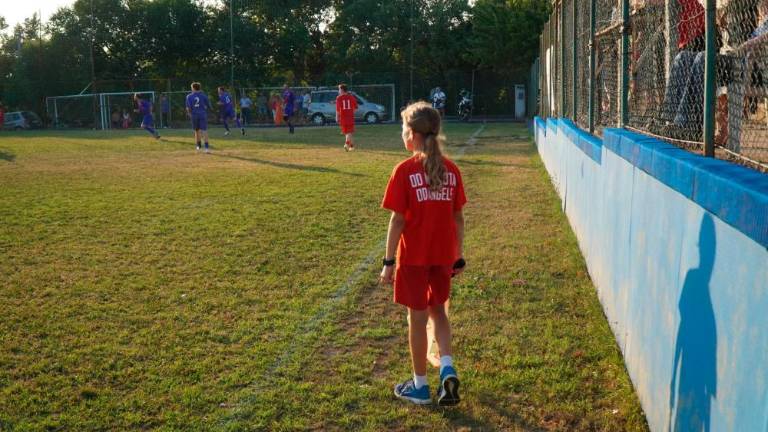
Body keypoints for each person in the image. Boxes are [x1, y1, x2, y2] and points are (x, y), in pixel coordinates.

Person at [379, 101, 466, 406]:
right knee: (439, 312)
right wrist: (458, 255)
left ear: (413, 134)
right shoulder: (451, 170)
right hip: (443, 256)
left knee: (416, 319)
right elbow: (458, 218)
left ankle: (419, 386)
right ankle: (447, 368)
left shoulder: (404, 171)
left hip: (414, 259)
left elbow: (398, 220)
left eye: (404, 129)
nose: (403, 134)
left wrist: (388, 262)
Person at [186, 82, 212, 152]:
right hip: (202, 114)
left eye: (191, 88)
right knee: (204, 130)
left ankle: (198, 146)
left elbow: (188, 108)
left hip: (194, 115)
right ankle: (206, 148)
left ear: (194, 88)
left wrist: (189, 114)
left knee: (196, 130)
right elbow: (209, 105)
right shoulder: (203, 95)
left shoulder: (189, 96)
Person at [336, 84, 358, 151]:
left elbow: (337, 109)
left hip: (343, 117)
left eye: (339, 89)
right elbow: (356, 107)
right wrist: (351, 112)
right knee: (349, 132)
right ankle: (350, 145)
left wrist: (337, 117)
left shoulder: (339, 98)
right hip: (350, 117)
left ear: (342, 90)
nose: (338, 91)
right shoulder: (351, 97)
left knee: (348, 132)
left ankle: (348, 145)